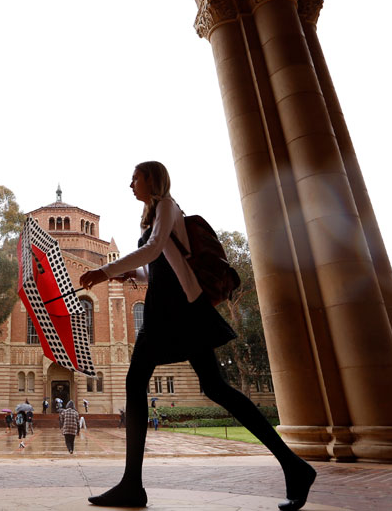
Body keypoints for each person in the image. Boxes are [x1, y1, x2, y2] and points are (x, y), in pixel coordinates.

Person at [79, 161, 316, 509]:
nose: (130, 184)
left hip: (174, 309)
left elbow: (157, 247)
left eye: (135, 178)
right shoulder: (155, 215)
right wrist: (132, 273)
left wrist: (103, 270)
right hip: (173, 306)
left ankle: (132, 485)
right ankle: (295, 467)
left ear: (152, 180)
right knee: (214, 387)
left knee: (140, 384)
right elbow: (165, 263)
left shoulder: (167, 206)